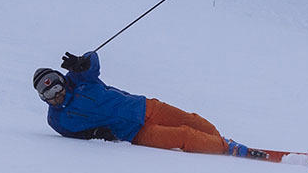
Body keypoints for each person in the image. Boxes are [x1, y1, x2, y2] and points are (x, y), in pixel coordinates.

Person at [33, 51, 252, 157]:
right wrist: (95, 133)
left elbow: (94, 61)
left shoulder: (79, 78)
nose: (56, 95)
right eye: (48, 94)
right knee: (184, 137)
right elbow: (74, 136)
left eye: (56, 87)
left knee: (192, 121)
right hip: (133, 132)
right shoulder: (56, 120)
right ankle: (226, 148)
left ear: (62, 81)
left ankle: (218, 138)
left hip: (143, 107)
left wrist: (83, 62)